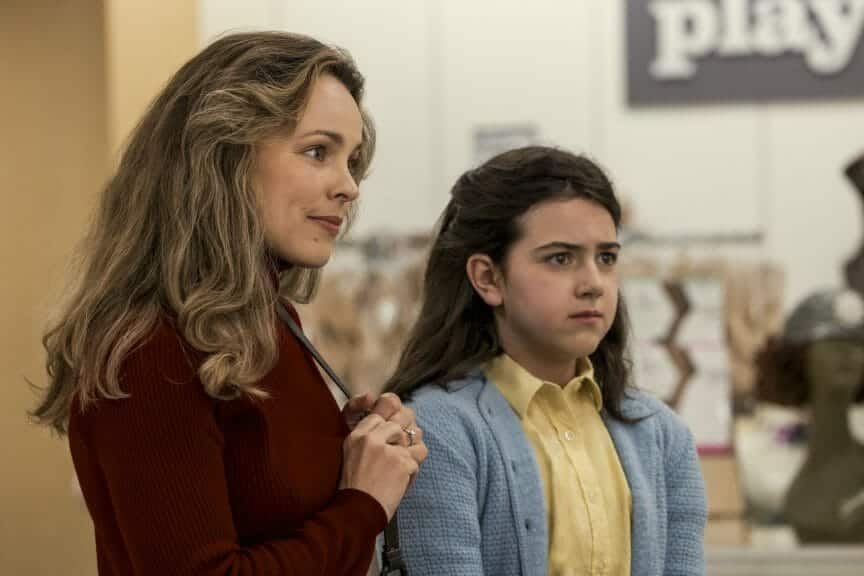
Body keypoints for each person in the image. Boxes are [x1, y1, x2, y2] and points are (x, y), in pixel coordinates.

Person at [31, 31, 427, 575]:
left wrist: (351, 448)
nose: (350, 186)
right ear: (224, 156)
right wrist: (363, 504)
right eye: (318, 152)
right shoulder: (152, 350)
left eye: (352, 160)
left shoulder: (270, 321)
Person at [384, 146, 707, 575]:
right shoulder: (435, 431)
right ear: (488, 278)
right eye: (560, 258)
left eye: (606, 258)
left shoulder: (662, 435)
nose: (593, 283)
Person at [757, 288, 864, 542]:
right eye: (832, 341)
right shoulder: (765, 473)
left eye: (857, 343)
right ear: (800, 356)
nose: (847, 352)